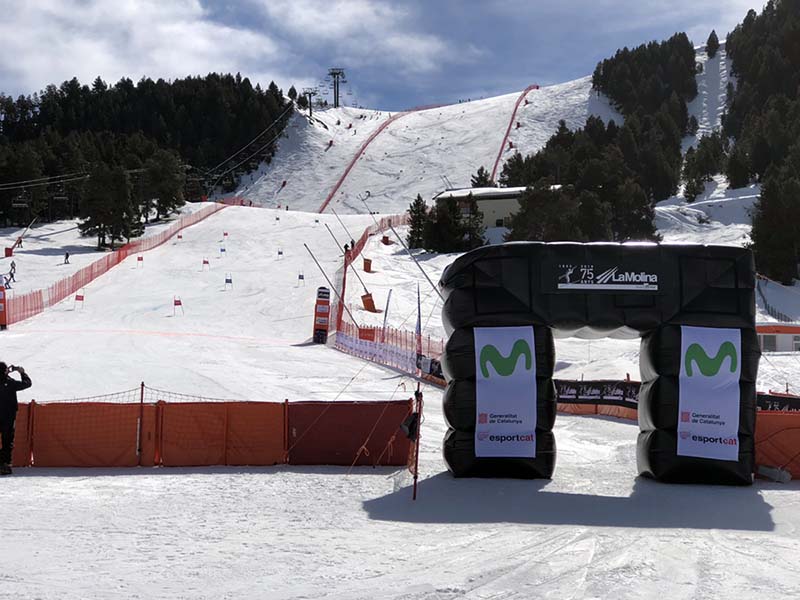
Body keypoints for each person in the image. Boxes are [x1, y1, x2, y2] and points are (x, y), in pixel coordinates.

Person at [0, 362, 31, 475]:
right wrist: (22, 373)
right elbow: (27, 383)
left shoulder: (8, 381)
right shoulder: (10, 382)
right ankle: (4, 465)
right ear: (5, 371)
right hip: (8, 417)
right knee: (7, 442)